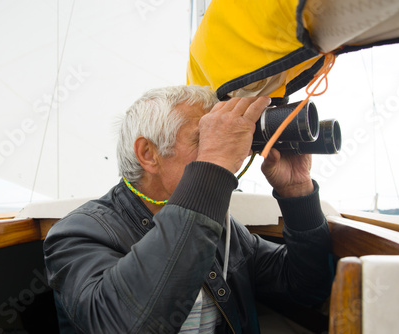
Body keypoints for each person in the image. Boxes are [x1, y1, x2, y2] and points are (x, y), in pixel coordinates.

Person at [43, 85, 332, 334]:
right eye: (204, 139)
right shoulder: (76, 235)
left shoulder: (221, 227)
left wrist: (296, 191)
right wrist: (214, 166)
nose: (237, 152)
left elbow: (307, 287)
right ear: (148, 154)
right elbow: (126, 324)